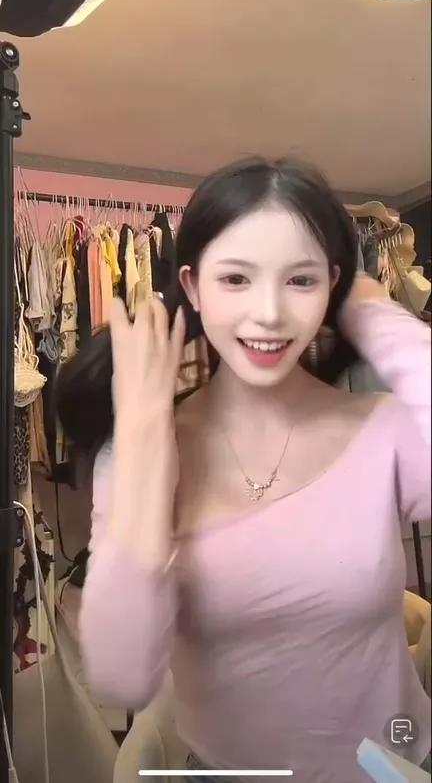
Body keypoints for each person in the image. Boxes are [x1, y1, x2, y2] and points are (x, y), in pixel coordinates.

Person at [56, 158, 431, 783]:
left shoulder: (383, 429)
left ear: (331, 286)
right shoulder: (139, 451)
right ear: (193, 286)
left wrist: (371, 310)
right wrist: (145, 446)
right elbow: (122, 674)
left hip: (393, 765)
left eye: (301, 280)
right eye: (235, 278)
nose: (269, 314)